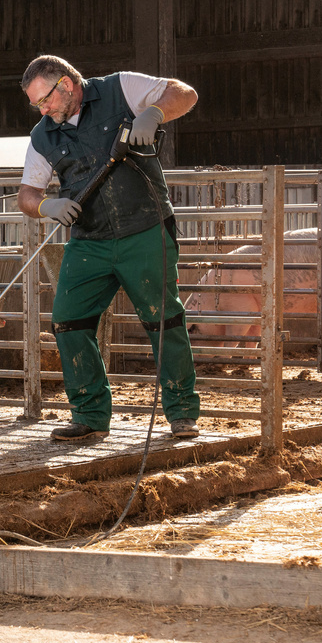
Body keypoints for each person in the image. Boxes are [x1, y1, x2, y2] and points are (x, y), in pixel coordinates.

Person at [17, 54, 202, 442]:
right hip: (90, 240)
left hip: (145, 228)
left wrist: (152, 114)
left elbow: (184, 93)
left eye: (45, 100)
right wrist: (47, 205)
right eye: (36, 104)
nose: (42, 109)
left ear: (66, 85)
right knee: (68, 319)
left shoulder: (121, 87)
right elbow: (27, 194)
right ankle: (89, 413)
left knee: (162, 318)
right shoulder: (43, 135)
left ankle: (182, 412)